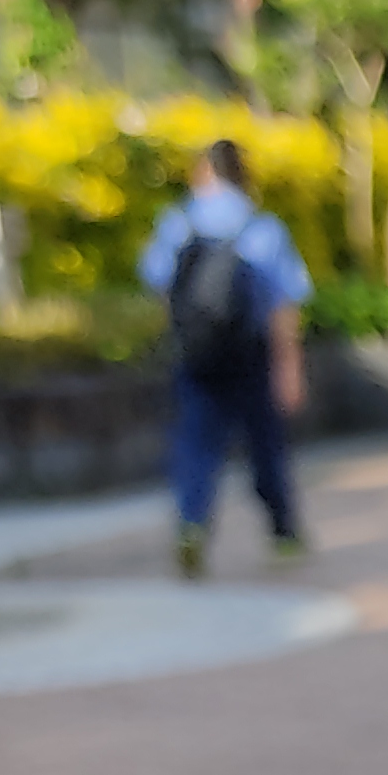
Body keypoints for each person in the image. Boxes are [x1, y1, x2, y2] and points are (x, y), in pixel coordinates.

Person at [138, 137, 312, 576]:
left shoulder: (178, 222)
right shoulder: (261, 226)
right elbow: (283, 304)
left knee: (196, 445)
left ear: (203, 172)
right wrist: (289, 369)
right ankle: (284, 530)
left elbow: (160, 285)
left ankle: (192, 525)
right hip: (251, 355)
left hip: (196, 356)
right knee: (265, 448)